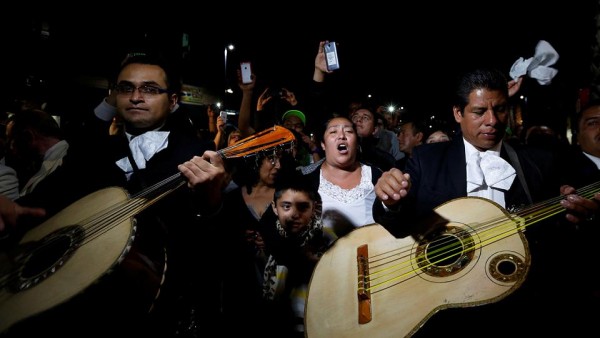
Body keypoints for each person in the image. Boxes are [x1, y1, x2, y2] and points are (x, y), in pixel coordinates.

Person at [0, 52, 227, 337]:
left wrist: (211, 202)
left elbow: (214, 241)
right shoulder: (91, 152)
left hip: (162, 302)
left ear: (172, 101)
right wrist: (11, 209)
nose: (135, 97)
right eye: (126, 88)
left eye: (149, 89)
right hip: (82, 303)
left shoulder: (199, 152)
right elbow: (47, 200)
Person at [372, 68, 599, 336]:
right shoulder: (427, 160)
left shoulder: (539, 162)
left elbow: (557, 237)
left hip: (517, 304)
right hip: (446, 305)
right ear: (458, 113)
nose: (492, 120)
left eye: (500, 109)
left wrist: (581, 217)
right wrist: (389, 200)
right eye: (479, 112)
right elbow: (398, 227)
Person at [260, 173, 329, 338]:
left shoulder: (325, 240)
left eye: (303, 207)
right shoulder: (271, 236)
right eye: (286, 206)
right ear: (274, 208)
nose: (294, 214)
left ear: (315, 208)